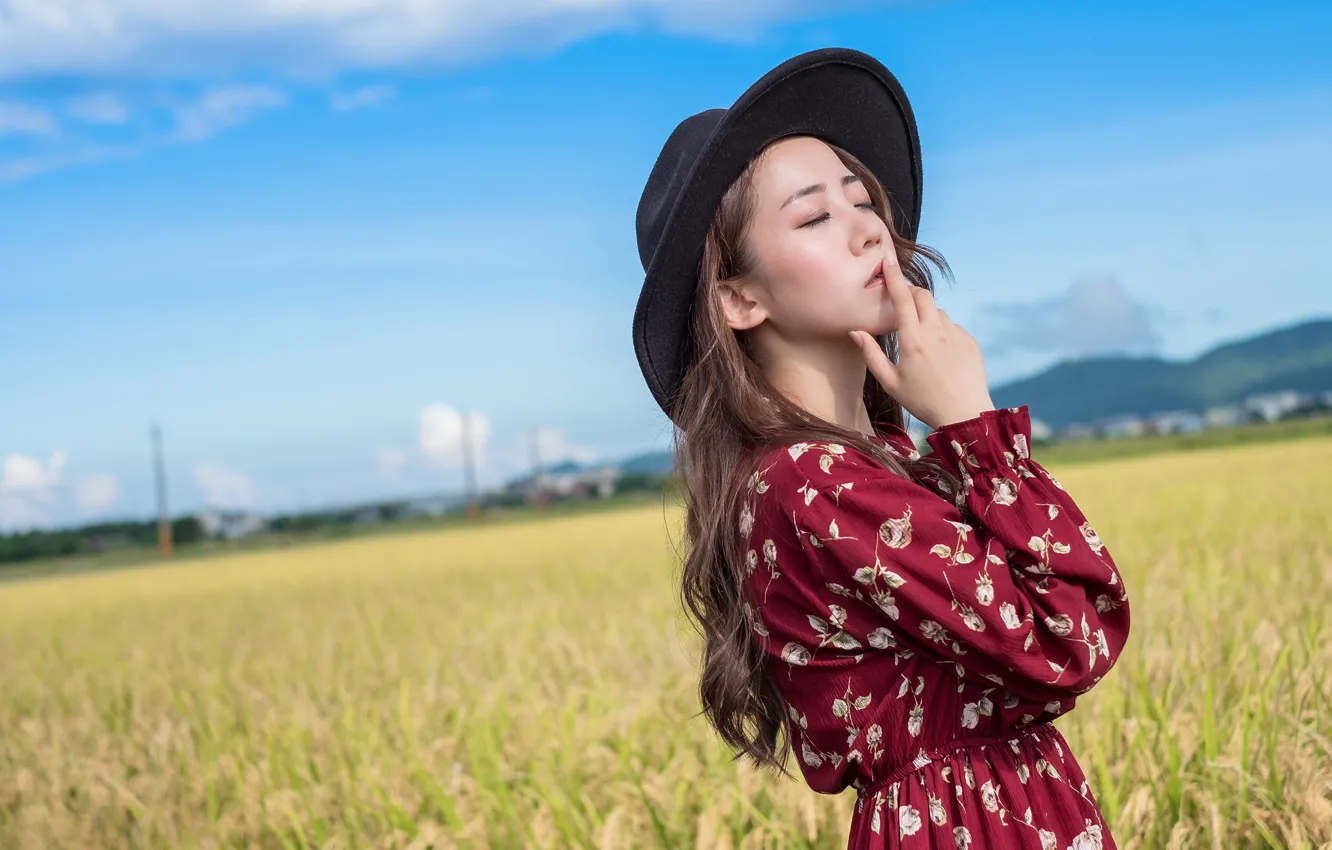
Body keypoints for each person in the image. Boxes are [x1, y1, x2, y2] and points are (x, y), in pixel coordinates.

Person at [631, 48, 1131, 848]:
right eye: (814, 216)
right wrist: (974, 426)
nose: (868, 226)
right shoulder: (812, 482)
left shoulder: (876, 462)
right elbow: (1068, 634)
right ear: (739, 297)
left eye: (861, 199)